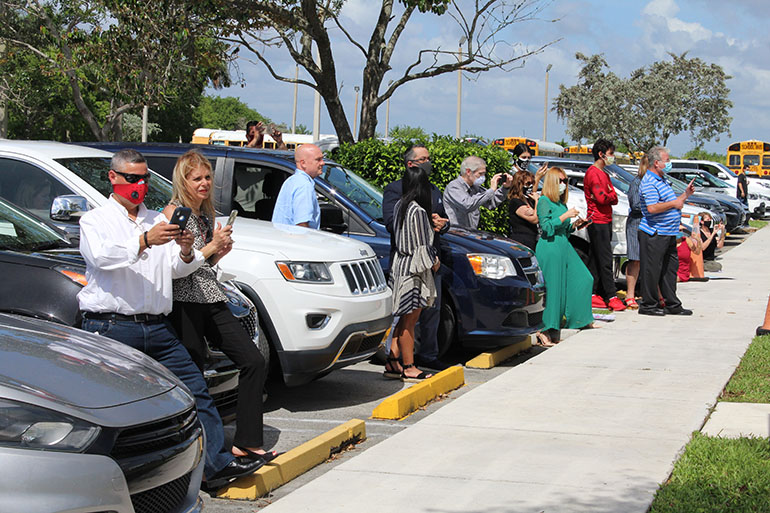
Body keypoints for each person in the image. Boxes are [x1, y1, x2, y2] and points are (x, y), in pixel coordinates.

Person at [77, 149, 264, 492]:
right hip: (113, 326)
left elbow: (176, 270)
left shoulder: (155, 220)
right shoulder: (96, 220)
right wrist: (144, 241)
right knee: (112, 405)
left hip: (156, 326)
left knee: (194, 391)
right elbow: (101, 258)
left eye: (144, 178)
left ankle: (216, 464)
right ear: (113, 178)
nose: (139, 185)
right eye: (131, 178)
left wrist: (188, 251)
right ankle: (111, 477)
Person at [163, 150, 277, 464]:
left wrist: (218, 252)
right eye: (196, 178)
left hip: (211, 296)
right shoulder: (175, 212)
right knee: (193, 375)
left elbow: (204, 263)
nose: (204, 183)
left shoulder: (207, 213)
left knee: (253, 360)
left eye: (207, 177)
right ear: (183, 180)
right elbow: (175, 266)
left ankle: (248, 441)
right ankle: (196, 446)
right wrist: (211, 248)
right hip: (183, 302)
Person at [383, 145, 451, 371]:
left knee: (430, 312)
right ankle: (406, 363)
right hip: (414, 265)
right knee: (405, 318)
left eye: (429, 158)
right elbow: (394, 225)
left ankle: (420, 357)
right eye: (423, 159)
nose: (428, 163)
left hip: (425, 264)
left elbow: (445, 219)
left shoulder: (432, 191)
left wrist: (443, 224)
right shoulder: (396, 192)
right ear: (411, 164)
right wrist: (424, 226)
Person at [535, 167, 594, 343]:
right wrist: (564, 217)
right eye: (560, 181)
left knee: (584, 278)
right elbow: (546, 228)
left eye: (565, 181)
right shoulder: (544, 201)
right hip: (550, 247)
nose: (563, 185)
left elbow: (565, 229)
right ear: (552, 182)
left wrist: (576, 224)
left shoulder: (561, 203)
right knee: (554, 290)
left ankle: (579, 318)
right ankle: (545, 329)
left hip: (563, 244)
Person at [637, 146, 695, 316]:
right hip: (654, 233)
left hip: (668, 232)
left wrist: (685, 195)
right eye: (667, 160)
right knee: (652, 270)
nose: (669, 163)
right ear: (656, 163)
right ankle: (649, 304)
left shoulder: (662, 180)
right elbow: (652, 208)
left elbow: (675, 203)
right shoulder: (649, 182)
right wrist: (675, 203)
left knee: (669, 269)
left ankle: (672, 303)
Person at [584, 139, 625, 312]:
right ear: (601, 154)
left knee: (596, 259)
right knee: (606, 260)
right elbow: (603, 198)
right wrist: (608, 196)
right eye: (610, 154)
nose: (612, 157)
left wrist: (608, 196)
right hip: (597, 221)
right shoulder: (594, 173)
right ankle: (611, 295)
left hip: (605, 220)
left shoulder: (604, 174)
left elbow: (613, 197)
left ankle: (593, 292)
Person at [442, 156, 510, 230]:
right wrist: (491, 190)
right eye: (480, 174)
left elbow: (491, 203)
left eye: (484, 174)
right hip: (455, 235)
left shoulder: (475, 188)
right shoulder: (454, 187)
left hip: (470, 233)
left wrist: (505, 188)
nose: (483, 177)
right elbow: (467, 205)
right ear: (468, 172)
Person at [272, 143, 324, 229]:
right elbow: (301, 225)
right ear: (303, 163)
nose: (323, 163)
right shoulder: (304, 186)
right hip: (295, 240)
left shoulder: (292, 181)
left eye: (322, 159)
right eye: (318, 160)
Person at [624, 156, 647, 309]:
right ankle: (630, 294)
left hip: (650, 224)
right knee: (635, 259)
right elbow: (635, 204)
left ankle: (650, 293)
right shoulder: (637, 182)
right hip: (636, 223)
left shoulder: (657, 182)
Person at [507, 170, 540, 251]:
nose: (530, 187)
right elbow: (534, 219)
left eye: (532, 184)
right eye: (528, 184)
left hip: (531, 238)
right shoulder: (515, 202)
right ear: (519, 184)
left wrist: (538, 177)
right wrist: (537, 201)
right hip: (521, 240)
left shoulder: (526, 199)